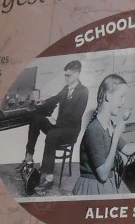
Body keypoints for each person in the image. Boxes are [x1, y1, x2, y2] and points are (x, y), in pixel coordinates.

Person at [20, 60, 89, 193]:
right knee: (36, 119)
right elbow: (56, 98)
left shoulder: (83, 92)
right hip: (59, 127)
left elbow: (75, 118)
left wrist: (55, 122)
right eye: (65, 75)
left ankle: (49, 178)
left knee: (52, 135)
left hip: (70, 131)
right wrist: (42, 103)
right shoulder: (66, 88)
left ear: (77, 74)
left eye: (68, 76)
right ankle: (29, 156)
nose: (66, 78)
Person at [72, 74, 132, 196]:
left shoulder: (109, 124)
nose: (123, 102)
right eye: (121, 97)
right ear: (108, 96)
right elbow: (103, 175)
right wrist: (115, 137)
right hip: (94, 188)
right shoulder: (93, 129)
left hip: (109, 183)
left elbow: (128, 150)